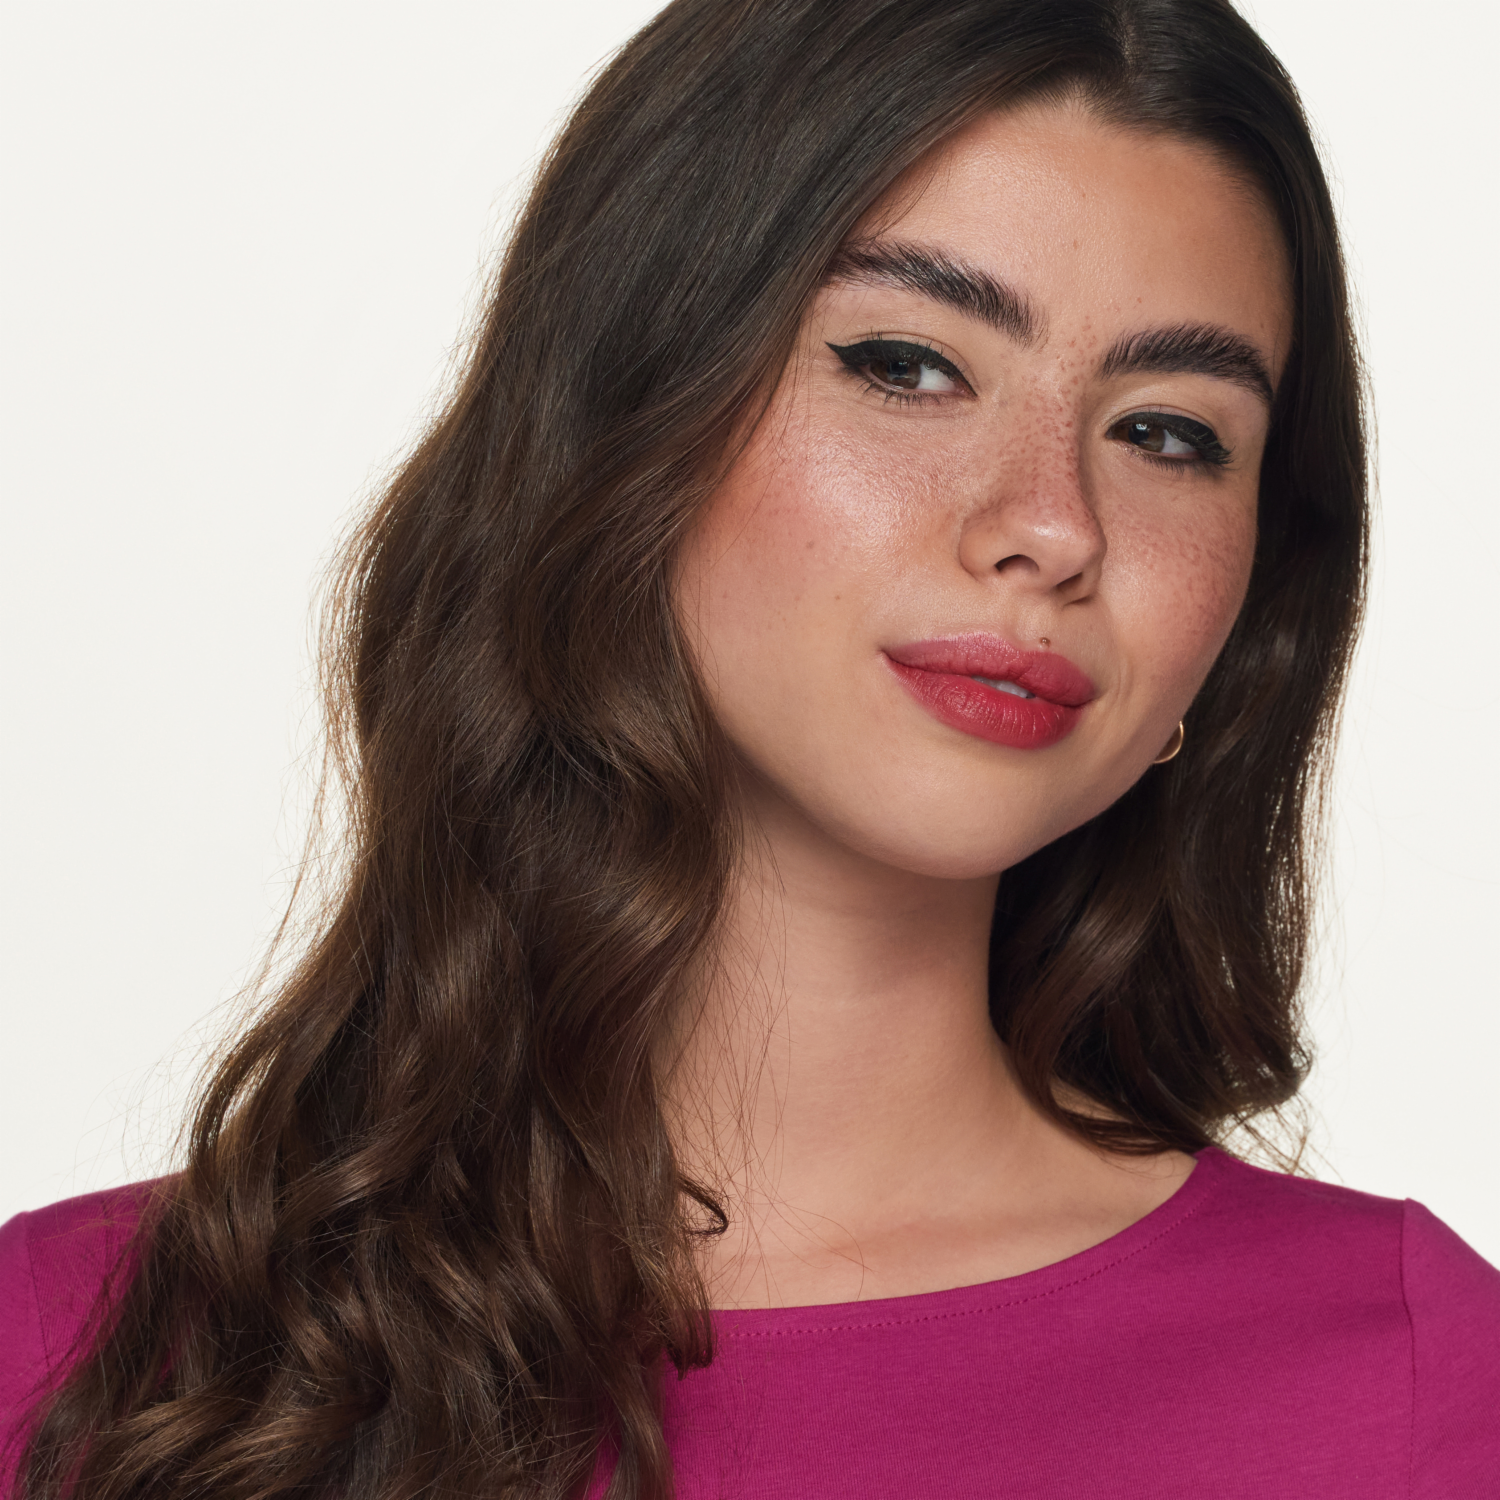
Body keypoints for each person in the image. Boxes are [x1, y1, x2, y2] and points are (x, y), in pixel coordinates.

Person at [3, 0, 1497, 1495]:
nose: (1053, 526)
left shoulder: (1411, 1381)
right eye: (907, 364)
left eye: (1169, 434)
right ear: (623, 420)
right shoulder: (74, 1356)